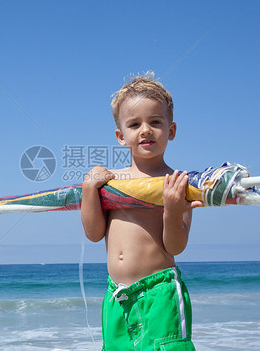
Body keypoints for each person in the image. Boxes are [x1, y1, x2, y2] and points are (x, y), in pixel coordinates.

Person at [81, 72, 202, 350]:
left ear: (170, 131)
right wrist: (90, 189)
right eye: (135, 124)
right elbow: (94, 233)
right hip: (117, 295)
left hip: (159, 293)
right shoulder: (112, 182)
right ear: (121, 136)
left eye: (155, 122)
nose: (145, 130)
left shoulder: (178, 183)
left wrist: (172, 209)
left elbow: (175, 245)